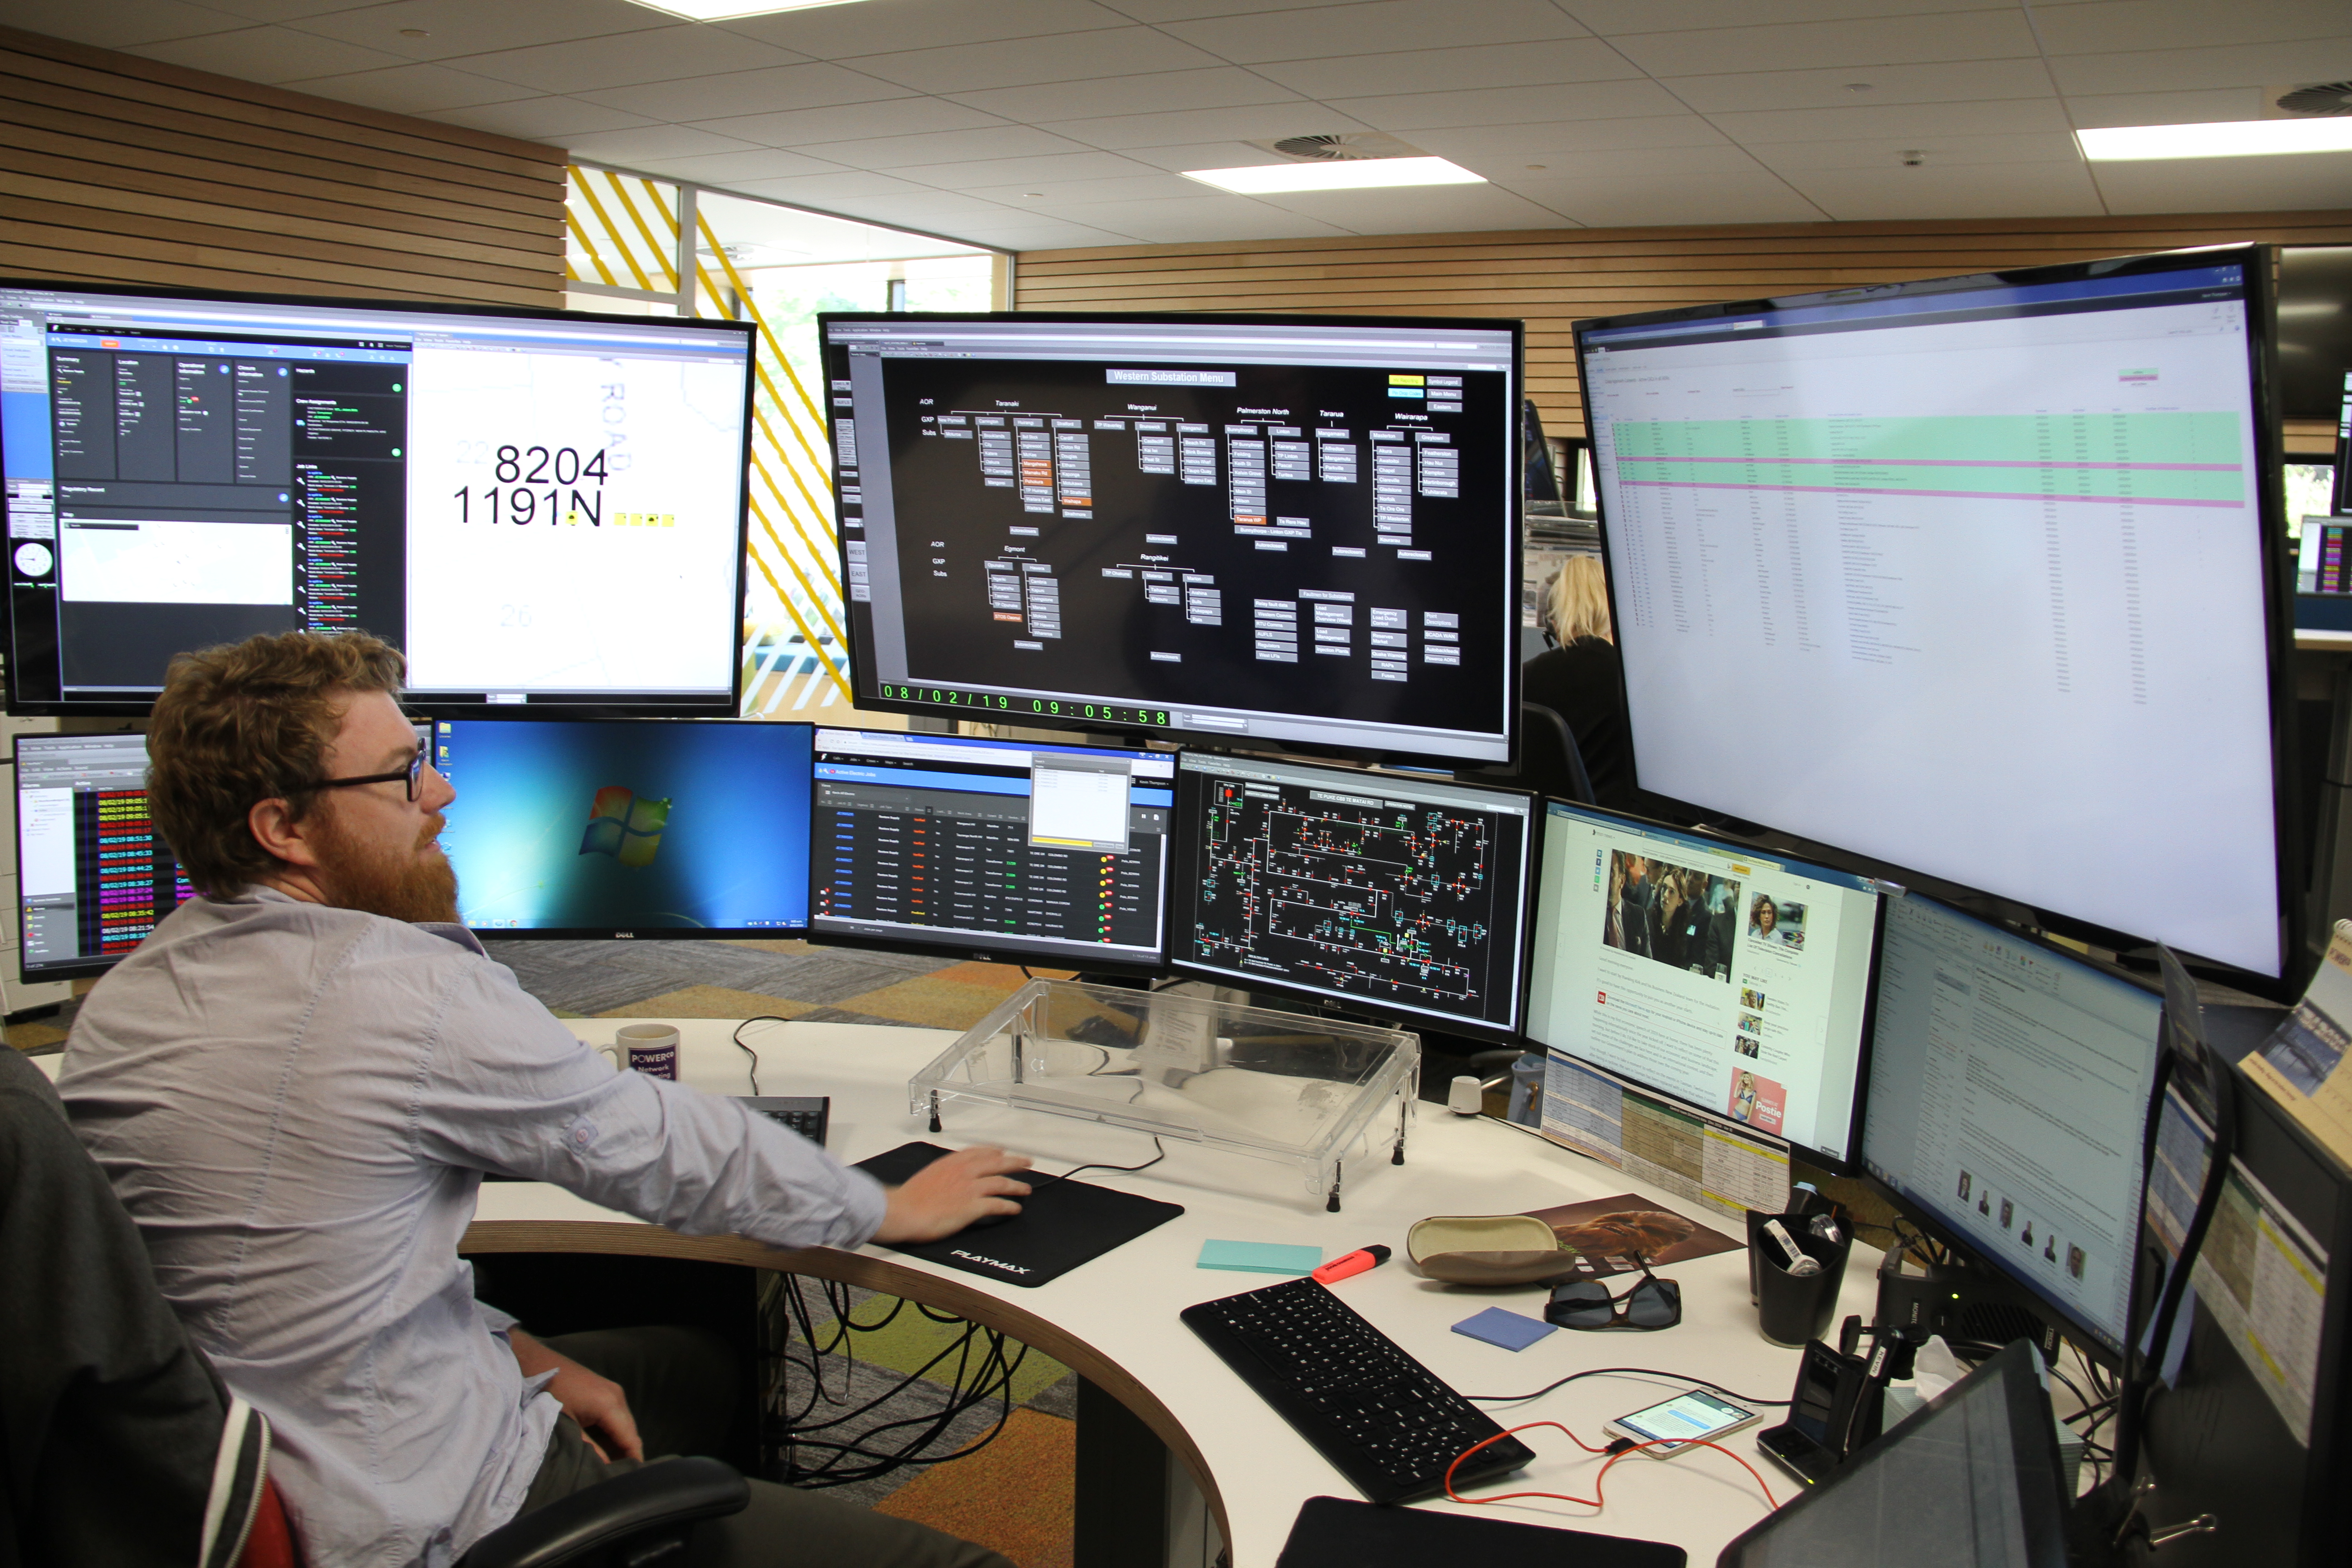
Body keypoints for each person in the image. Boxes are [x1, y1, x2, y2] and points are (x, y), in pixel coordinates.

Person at [58, 631, 1029, 1568]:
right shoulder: (400, 993)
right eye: (402, 774)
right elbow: (659, 1152)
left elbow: (286, 1290)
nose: (440, 790)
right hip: (411, 1510)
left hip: (254, 1452)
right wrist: (885, 1205)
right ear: (283, 829)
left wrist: (519, 1351)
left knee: (697, 1367)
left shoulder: (127, 998)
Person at [1520, 557, 1634, 809]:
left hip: (1542, 825)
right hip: (1628, 831)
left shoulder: (1524, 679)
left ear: (1555, 624)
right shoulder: (1637, 680)